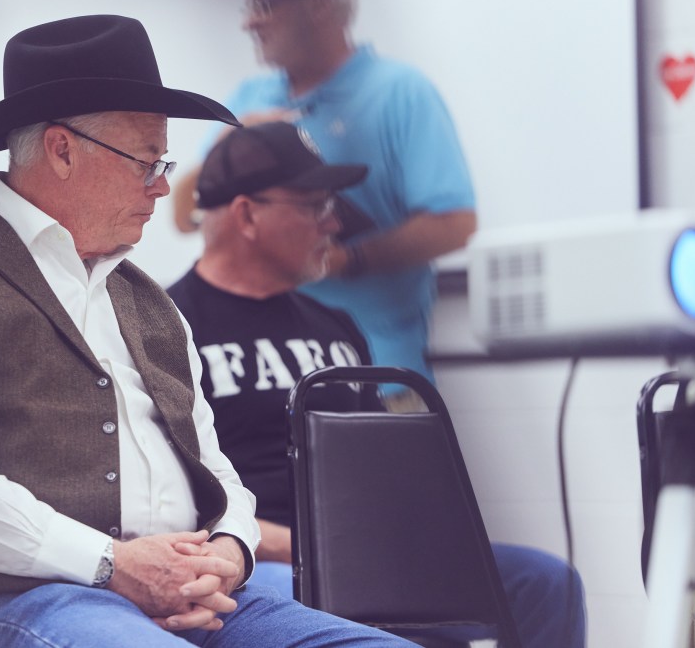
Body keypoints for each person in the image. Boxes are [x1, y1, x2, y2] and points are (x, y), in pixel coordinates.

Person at [0, 13, 414, 647]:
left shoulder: (148, 301)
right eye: (147, 161)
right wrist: (113, 564)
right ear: (63, 150)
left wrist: (230, 550)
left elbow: (214, 466)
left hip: (188, 592)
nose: (164, 186)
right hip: (12, 599)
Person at [166, 121, 588, 648]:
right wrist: (309, 547)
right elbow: (176, 501)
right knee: (316, 606)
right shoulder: (168, 326)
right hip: (259, 560)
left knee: (548, 584)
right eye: (314, 206)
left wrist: (404, 533)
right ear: (248, 213)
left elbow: (384, 479)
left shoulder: (335, 328)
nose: (335, 223)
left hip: (370, 555)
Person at [172, 0, 477, 385]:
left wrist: (345, 259)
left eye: (264, 6)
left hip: (378, 369)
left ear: (317, 5)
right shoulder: (250, 98)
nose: (248, 23)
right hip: (267, 374)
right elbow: (186, 215)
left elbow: (456, 224)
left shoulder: (400, 92)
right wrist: (232, 138)